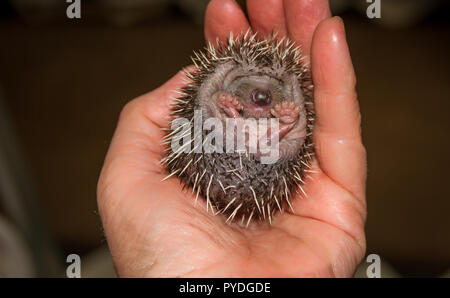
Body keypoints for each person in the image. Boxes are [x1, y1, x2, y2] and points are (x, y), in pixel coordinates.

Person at [97, 0, 367, 277]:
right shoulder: (224, 81)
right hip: (231, 143)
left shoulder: (255, 87)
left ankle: (261, 124)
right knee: (216, 123)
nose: (261, 96)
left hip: (255, 149)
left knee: (269, 135)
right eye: (250, 85)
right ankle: (258, 124)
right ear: (229, 78)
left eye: (270, 89)